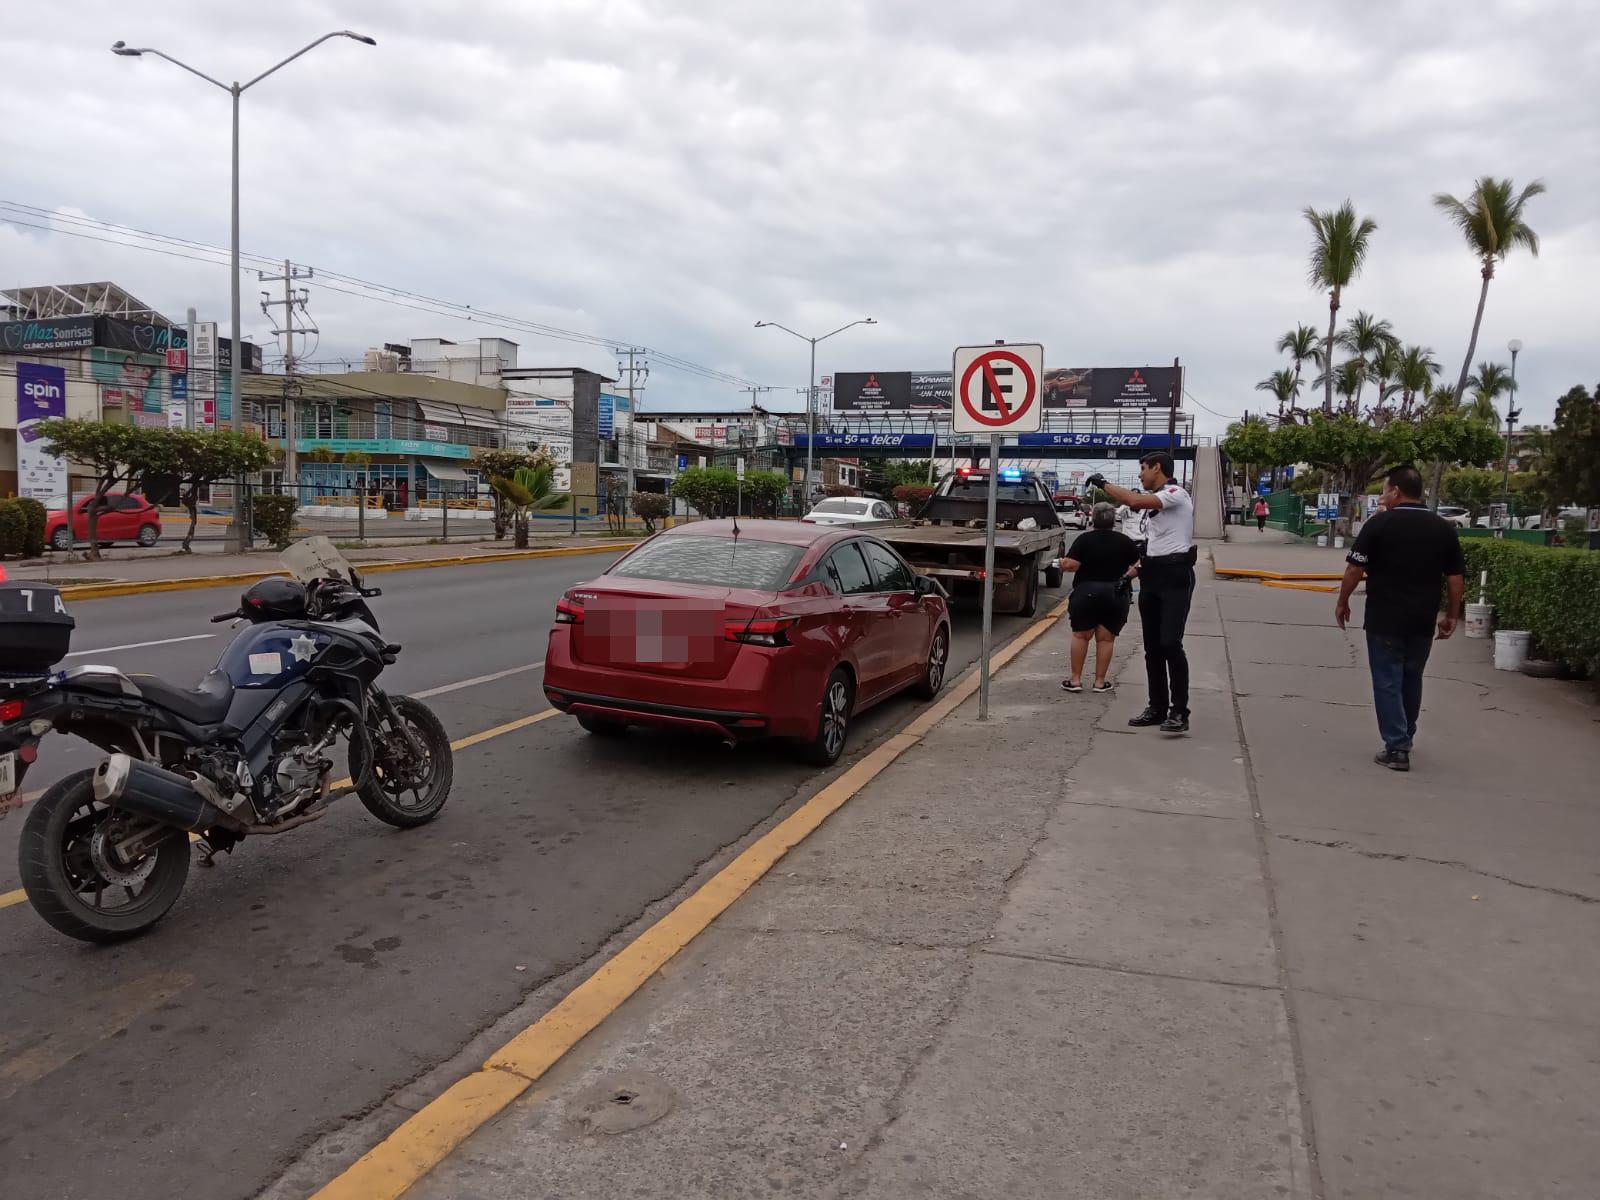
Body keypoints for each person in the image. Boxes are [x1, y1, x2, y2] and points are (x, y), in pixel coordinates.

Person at [1335, 465, 1465, 772]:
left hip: (1385, 618)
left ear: (1396, 491)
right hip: (1422, 619)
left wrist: (1342, 601)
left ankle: (1396, 747)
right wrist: (1452, 616)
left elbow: (1355, 569)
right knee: (1411, 677)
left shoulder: (1379, 525)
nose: (1383, 495)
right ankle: (1406, 734)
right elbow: (1455, 578)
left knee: (1387, 680)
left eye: (1384, 489)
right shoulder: (1443, 528)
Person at [1087, 451, 1196, 734]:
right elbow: (1154, 546)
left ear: (1157, 468)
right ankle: (1157, 707)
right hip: (1152, 575)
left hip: (1175, 576)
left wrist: (1103, 484)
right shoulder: (1154, 506)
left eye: (1143, 470)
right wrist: (1130, 575)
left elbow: (1132, 499)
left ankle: (1179, 711)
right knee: (1153, 648)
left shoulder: (1175, 493)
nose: (1140, 476)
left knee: (1171, 643)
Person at [1058, 503, 1140, 693]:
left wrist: (1062, 563)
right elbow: (1140, 564)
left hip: (1086, 593)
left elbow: (1072, 565)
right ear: (1114, 520)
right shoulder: (1124, 541)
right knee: (1106, 639)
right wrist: (1126, 577)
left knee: (1081, 635)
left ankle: (1076, 680)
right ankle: (1100, 682)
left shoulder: (1084, 539)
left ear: (1093, 519)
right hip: (1116, 594)